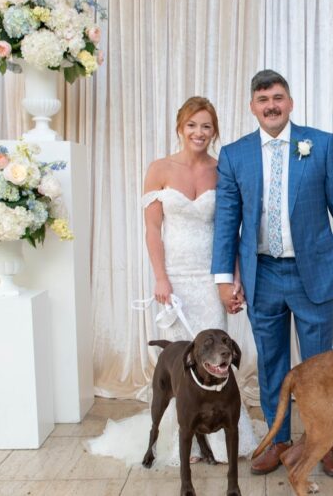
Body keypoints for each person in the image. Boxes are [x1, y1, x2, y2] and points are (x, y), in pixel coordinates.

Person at [87, 97, 257, 466]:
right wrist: (160, 278)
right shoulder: (159, 168)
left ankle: (225, 431)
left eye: (207, 126)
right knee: (182, 363)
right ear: (180, 128)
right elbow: (152, 227)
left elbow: (232, 230)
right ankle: (189, 439)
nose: (199, 132)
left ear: (215, 131)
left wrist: (234, 280)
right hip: (175, 280)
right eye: (192, 125)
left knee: (217, 358)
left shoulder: (221, 169)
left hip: (212, 279)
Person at [211, 70, 333, 476]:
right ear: (252, 107)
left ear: (290, 102)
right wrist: (225, 278)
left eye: (277, 97)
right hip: (264, 275)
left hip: (316, 273)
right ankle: (278, 441)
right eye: (263, 99)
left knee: (321, 367)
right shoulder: (235, 155)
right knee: (273, 363)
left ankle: (325, 442)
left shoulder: (322, 145)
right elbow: (227, 220)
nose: (271, 105)